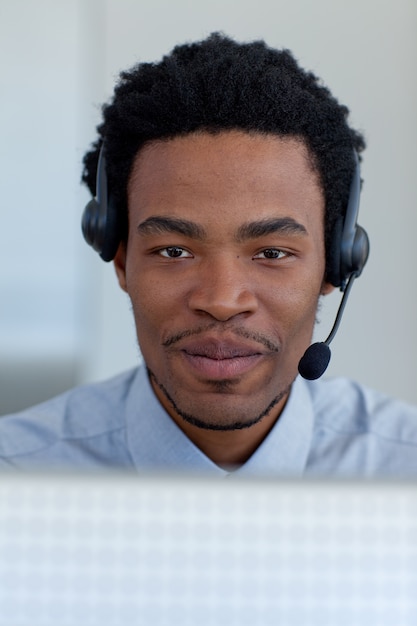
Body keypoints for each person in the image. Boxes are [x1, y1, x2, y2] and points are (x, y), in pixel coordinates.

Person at [1, 33, 416, 475]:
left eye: (272, 253)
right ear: (121, 259)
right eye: (174, 250)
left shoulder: (402, 469)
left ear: (336, 266)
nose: (221, 301)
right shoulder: (18, 474)